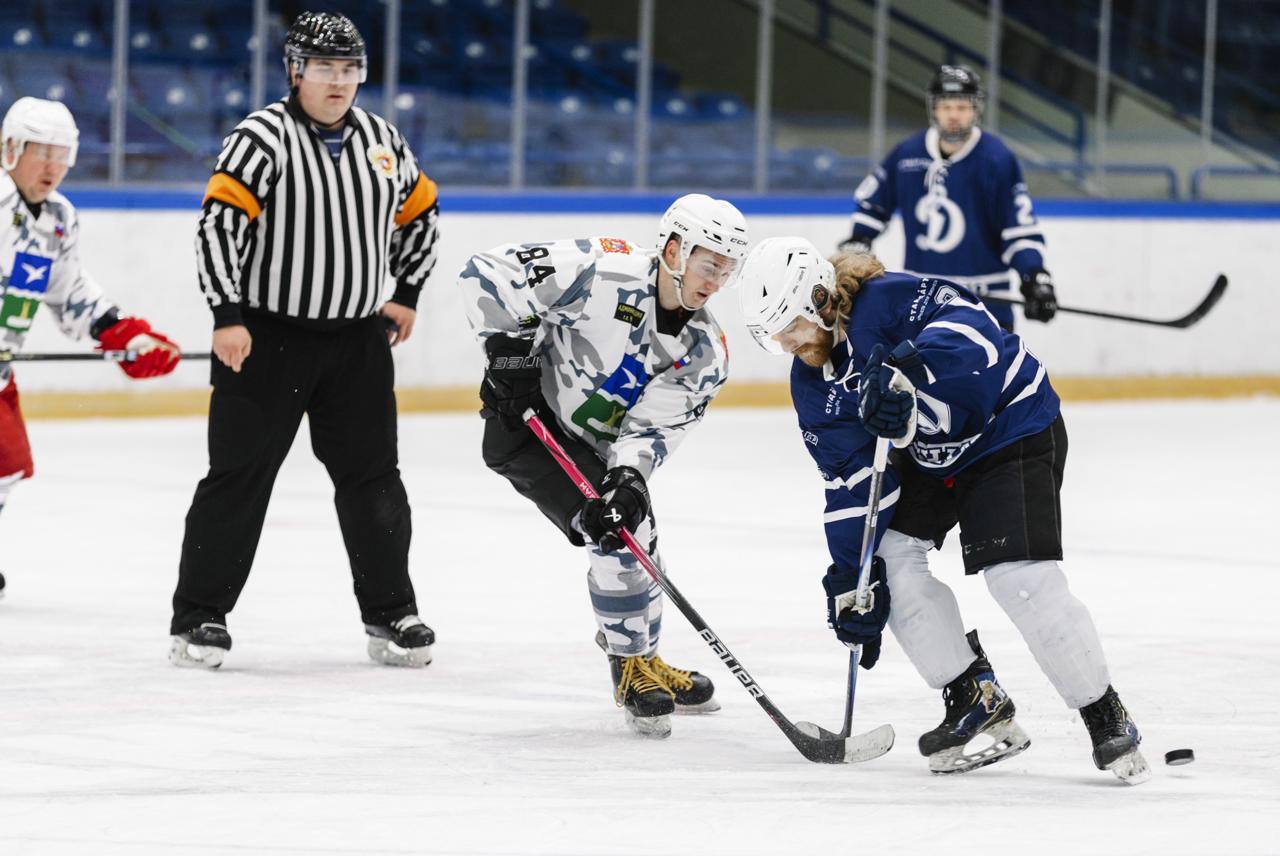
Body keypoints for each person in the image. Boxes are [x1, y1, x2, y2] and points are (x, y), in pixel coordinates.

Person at [737, 236, 1149, 784]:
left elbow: (978, 335)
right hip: (930, 456)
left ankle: (1105, 714)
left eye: (791, 325)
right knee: (884, 564)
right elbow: (849, 482)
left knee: (1017, 580)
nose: (787, 343)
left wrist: (912, 372)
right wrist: (849, 579)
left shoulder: (887, 301)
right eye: (772, 335)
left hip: (1009, 429)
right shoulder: (813, 384)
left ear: (821, 298)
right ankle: (973, 694)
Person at [170, 12, 441, 669]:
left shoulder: (382, 141)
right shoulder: (260, 137)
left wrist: (405, 293)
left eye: (351, 70)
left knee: (374, 479)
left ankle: (391, 613)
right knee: (238, 477)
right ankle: (199, 618)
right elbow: (219, 229)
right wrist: (227, 314)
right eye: (325, 68)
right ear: (296, 71)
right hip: (266, 339)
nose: (339, 82)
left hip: (356, 343)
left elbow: (420, 213)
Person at [459, 194, 748, 738]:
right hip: (527, 426)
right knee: (615, 533)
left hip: (593, 445)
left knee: (635, 522)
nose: (715, 281)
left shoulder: (704, 351)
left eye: (726, 270)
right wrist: (509, 352)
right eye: (709, 264)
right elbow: (487, 271)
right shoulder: (602, 270)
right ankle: (629, 665)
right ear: (673, 249)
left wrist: (629, 475)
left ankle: (645, 655)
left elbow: (655, 427)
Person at [0, 96, 180, 599]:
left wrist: (123, 333)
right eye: (43, 153)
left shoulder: (57, 219)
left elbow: (70, 294)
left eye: (63, 154)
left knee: (4, 466)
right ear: (11, 149)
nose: (54, 167)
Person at [839, 65, 1058, 331]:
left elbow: (1019, 230)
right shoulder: (907, 155)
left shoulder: (997, 159)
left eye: (962, 107)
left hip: (986, 302)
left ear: (975, 109)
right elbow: (872, 206)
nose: (954, 115)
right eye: (946, 107)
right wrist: (859, 240)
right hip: (924, 300)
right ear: (934, 109)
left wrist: (1034, 276)